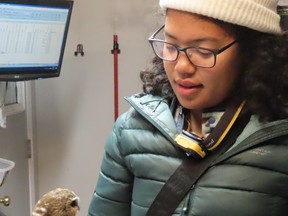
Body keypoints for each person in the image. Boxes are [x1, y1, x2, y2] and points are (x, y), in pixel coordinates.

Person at [88, 0, 288, 215]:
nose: (182, 67)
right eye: (170, 45)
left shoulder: (279, 144)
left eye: (203, 51)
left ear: (252, 51)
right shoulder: (132, 130)